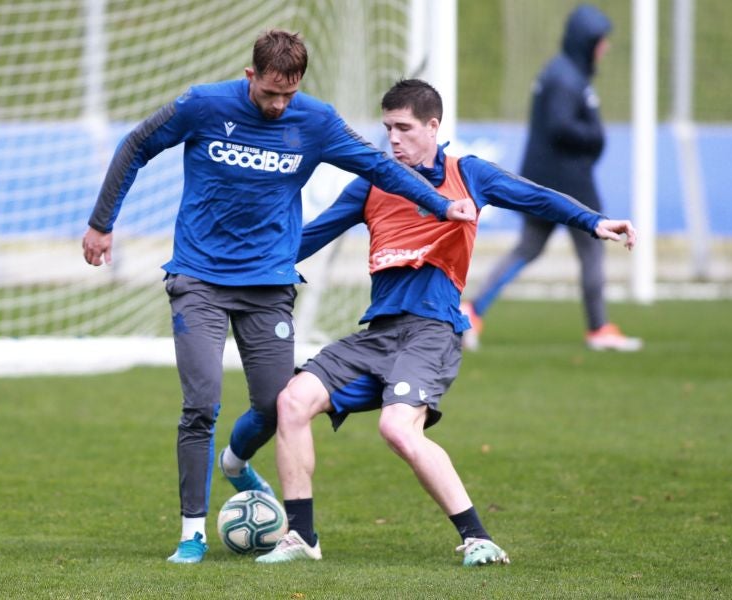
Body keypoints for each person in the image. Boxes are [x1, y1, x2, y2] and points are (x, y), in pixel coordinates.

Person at [81, 30, 478, 564]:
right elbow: (136, 145)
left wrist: (438, 204)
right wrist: (102, 223)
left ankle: (237, 464)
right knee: (200, 404)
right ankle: (192, 532)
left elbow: (379, 167)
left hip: (268, 286)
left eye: (288, 95)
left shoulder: (313, 120)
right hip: (198, 278)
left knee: (277, 406)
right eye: (270, 93)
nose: (279, 105)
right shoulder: (202, 106)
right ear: (251, 77)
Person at [256, 79, 636, 565]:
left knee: (397, 427)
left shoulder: (467, 174)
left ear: (433, 126)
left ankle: (478, 537)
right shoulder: (371, 183)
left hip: (431, 333)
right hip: (378, 335)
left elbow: (534, 196)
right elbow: (306, 240)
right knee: (291, 400)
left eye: (404, 128)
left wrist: (594, 221)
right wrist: (241, 262)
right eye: (387, 127)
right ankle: (302, 537)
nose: (393, 139)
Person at [461, 4, 641, 352]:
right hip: (568, 183)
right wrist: (595, 135)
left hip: (547, 178)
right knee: (591, 250)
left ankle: (473, 310)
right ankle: (599, 328)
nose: (605, 47)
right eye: (600, 41)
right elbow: (561, 126)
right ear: (586, 41)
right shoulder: (565, 77)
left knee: (529, 247)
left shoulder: (562, 72)